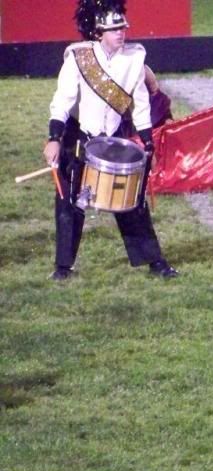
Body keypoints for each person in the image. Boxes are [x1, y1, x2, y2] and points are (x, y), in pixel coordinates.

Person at [43, 0, 177, 281]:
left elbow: (140, 105)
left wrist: (147, 143)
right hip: (78, 135)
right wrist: (54, 138)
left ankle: (154, 261)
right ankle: (63, 267)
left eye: (122, 28)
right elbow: (62, 103)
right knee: (69, 202)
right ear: (98, 32)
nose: (121, 33)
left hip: (113, 137)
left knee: (131, 199)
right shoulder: (78, 58)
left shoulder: (134, 59)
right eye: (114, 29)